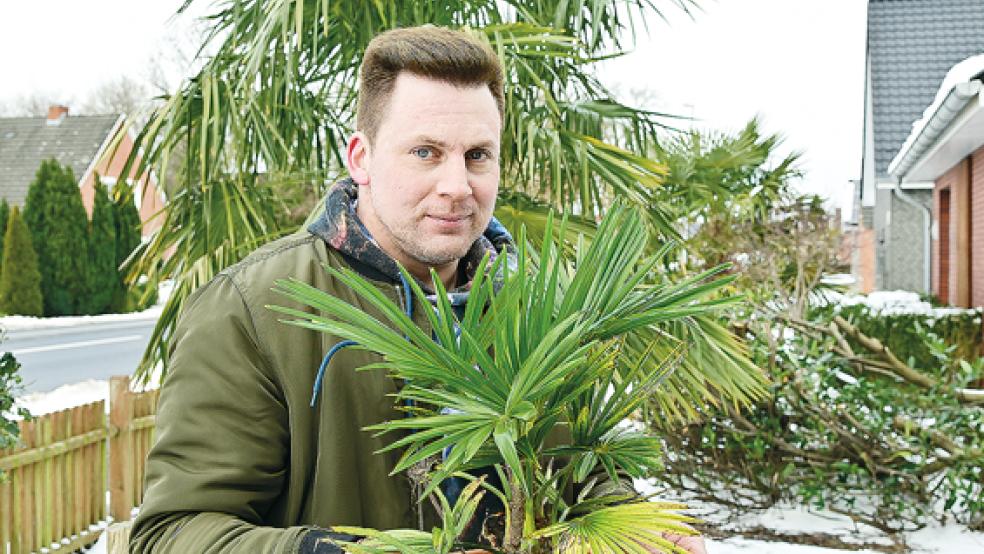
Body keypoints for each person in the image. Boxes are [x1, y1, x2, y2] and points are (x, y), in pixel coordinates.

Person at [129, 26, 706, 554]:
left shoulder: (539, 306)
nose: (456, 185)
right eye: (425, 152)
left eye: (477, 156)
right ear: (362, 158)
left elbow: (580, 472)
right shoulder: (253, 309)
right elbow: (173, 534)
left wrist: (625, 521)